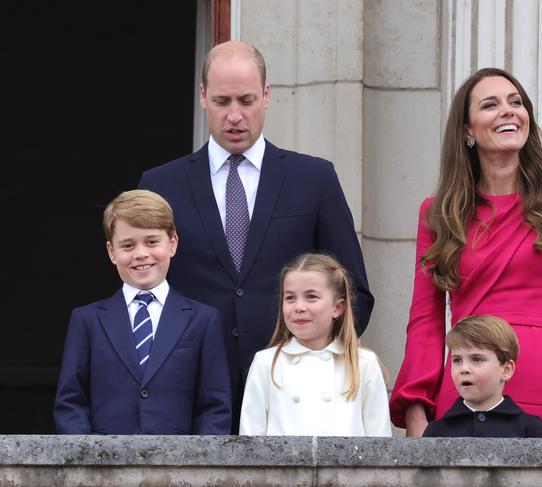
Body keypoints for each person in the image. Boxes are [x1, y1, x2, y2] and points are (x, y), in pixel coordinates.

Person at [137, 41, 373, 432]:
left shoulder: (313, 179)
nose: (234, 115)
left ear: (266, 96)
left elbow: (354, 293)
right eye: (222, 100)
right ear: (202, 97)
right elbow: (142, 292)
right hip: (190, 399)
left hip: (295, 400)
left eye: (246, 100)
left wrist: (310, 362)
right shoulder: (161, 184)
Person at [390, 67, 542, 438]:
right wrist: (417, 408)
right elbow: (424, 321)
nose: (508, 111)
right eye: (490, 104)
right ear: (467, 130)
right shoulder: (437, 213)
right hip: (463, 390)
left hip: (541, 385)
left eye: (516, 102)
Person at [53, 190, 231, 434]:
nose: (140, 254)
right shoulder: (87, 320)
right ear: (111, 252)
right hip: (104, 467)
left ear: (172, 243)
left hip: (179, 467)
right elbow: (70, 403)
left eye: (151, 242)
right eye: (127, 245)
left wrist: (198, 468)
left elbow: (214, 408)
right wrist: (89, 464)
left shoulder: (203, 320)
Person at [239, 253, 390, 436]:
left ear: (338, 308)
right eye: (290, 298)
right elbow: (250, 441)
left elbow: (380, 444)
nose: (299, 307)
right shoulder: (266, 362)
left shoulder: (364, 363)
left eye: (311, 297)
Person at [423, 315, 542, 438]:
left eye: (477, 359)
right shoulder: (436, 431)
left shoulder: (530, 428)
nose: (464, 369)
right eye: (457, 360)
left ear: (506, 370)